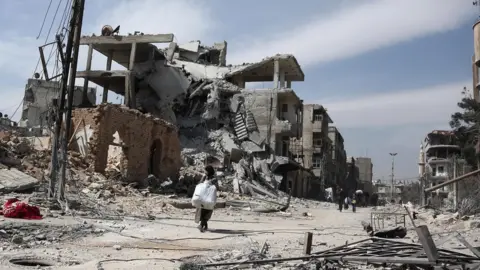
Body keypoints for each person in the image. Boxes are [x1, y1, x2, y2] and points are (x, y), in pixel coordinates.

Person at [195, 165, 217, 232]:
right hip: (203, 196)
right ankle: (204, 225)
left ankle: (201, 225)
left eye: (206, 170)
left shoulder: (214, 178)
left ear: (209, 171)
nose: (205, 172)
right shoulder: (204, 177)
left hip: (210, 197)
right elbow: (200, 184)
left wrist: (209, 183)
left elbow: (215, 187)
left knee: (207, 210)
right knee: (201, 210)